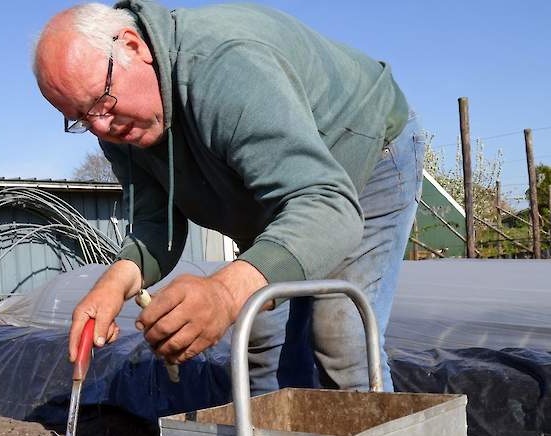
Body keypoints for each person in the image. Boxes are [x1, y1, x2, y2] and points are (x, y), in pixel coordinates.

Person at [33, 0, 423, 392]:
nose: (101, 127)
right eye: (81, 118)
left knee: (341, 339)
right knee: (259, 341)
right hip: (272, 194)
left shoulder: (225, 69)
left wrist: (223, 292)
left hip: (360, 161)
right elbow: (157, 222)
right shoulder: (120, 126)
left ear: (133, 46)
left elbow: (326, 207)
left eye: (101, 101)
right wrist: (114, 284)